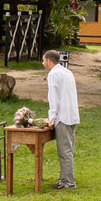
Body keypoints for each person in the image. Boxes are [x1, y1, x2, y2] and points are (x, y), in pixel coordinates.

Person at [43, 49, 80, 189]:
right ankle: (64, 179)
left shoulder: (53, 74)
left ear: (48, 60)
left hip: (63, 116)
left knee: (64, 151)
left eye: (43, 60)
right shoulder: (66, 71)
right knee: (67, 150)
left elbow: (54, 98)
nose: (43, 63)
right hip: (73, 115)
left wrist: (50, 119)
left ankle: (69, 182)